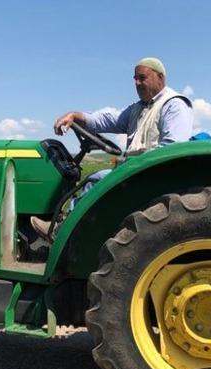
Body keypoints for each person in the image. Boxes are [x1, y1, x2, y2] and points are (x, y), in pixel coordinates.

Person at [31, 57, 193, 236]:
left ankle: (62, 232)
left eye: (142, 78)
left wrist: (132, 163)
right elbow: (108, 120)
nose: (137, 83)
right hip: (135, 171)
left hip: (152, 176)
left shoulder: (174, 105)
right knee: (96, 178)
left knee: (95, 180)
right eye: (135, 79)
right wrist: (76, 116)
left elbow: (172, 149)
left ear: (160, 78)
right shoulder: (139, 108)